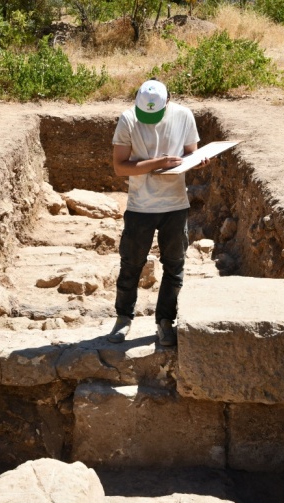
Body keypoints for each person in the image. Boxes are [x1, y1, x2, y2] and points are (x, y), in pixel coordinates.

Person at [107, 79, 208, 347]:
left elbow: (189, 155)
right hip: (141, 206)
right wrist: (158, 163)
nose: (149, 120)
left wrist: (198, 162)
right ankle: (123, 319)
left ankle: (165, 322)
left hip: (175, 204)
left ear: (168, 102)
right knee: (131, 264)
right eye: (145, 114)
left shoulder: (183, 115)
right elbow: (120, 167)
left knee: (174, 266)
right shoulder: (128, 119)